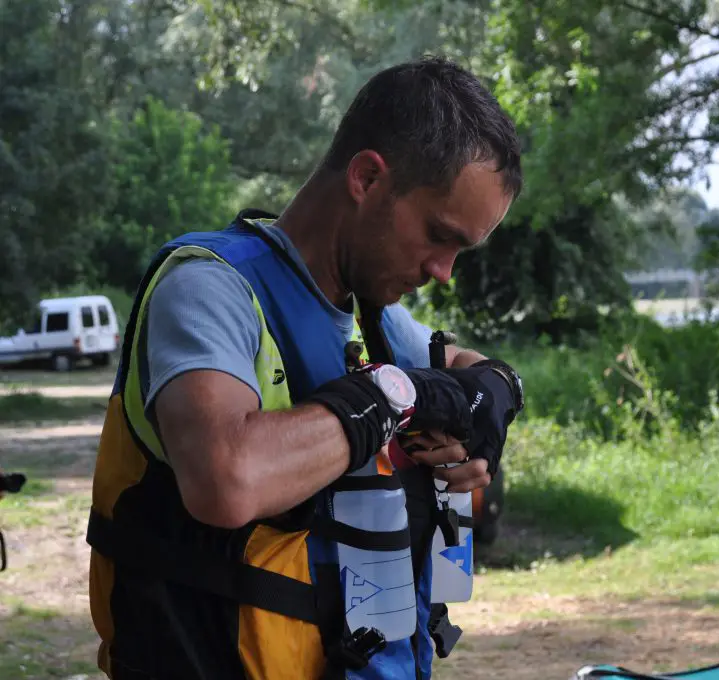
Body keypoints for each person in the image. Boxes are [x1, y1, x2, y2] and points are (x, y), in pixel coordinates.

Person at [86, 56, 525, 680]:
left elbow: (464, 368)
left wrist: (492, 394)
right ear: (368, 178)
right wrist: (391, 396)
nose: (442, 271)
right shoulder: (209, 289)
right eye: (438, 234)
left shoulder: (373, 318)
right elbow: (225, 480)